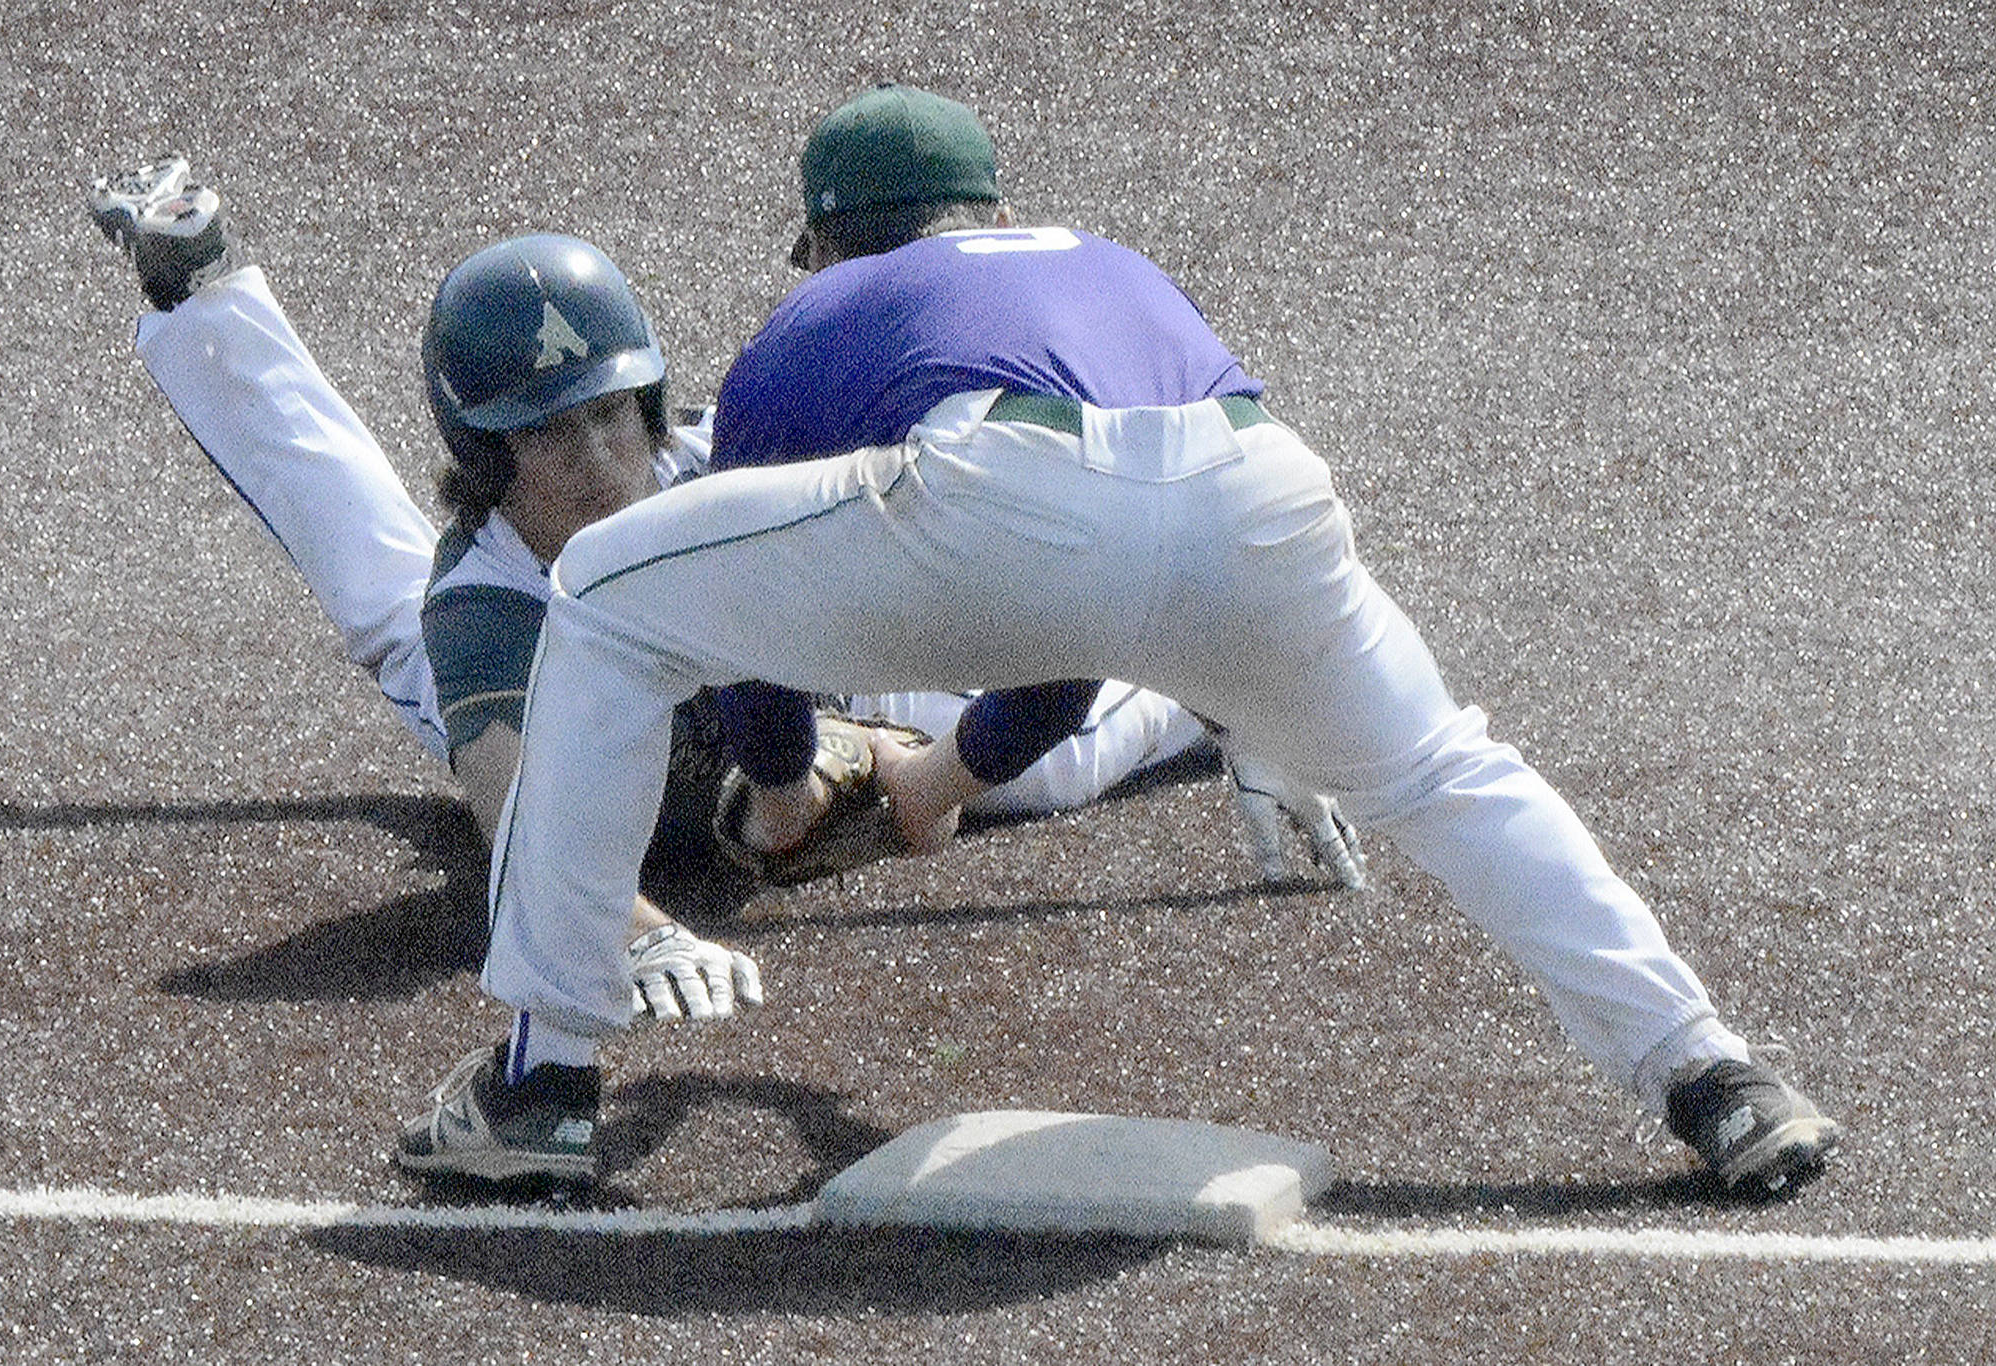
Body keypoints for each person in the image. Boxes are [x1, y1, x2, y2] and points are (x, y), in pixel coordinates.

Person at [409, 84, 1842, 1199]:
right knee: (1446, 770)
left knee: (604, 586)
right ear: (981, 207)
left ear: (832, 240)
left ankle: (541, 1084)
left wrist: (782, 792)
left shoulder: (821, 311)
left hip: (999, 497)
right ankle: (1708, 1071)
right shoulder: (1106, 267)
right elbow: (1100, 596)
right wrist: (946, 778)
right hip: (1262, 492)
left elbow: (751, 639)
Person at [84, 156, 1363, 884]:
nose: (594, 458)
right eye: (543, 432)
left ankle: (1228, 698)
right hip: (581, 687)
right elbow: (524, 822)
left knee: (1045, 752)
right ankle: (198, 289)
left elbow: (1010, 529)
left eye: (610, 417)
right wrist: (630, 937)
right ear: (486, 451)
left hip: (771, 677)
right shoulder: (483, 606)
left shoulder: (718, 458)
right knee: (369, 569)